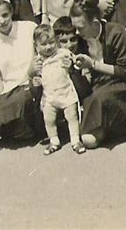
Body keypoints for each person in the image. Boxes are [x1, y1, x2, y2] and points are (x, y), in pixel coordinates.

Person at [69, 0, 126, 149]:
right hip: (99, 89)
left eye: (80, 27)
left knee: (100, 98)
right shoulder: (81, 40)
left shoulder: (116, 32)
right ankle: (107, 127)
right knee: (89, 139)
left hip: (124, 86)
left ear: (94, 23)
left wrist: (93, 64)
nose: (76, 32)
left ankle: (123, 124)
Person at [0, 0, 38, 140]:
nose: (2, 21)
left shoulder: (29, 28)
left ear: (12, 11)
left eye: (5, 15)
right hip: (9, 89)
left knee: (25, 100)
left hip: (33, 81)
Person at [30, 24, 86, 155]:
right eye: (44, 44)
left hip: (66, 92)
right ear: (36, 46)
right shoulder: (38, 61)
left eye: (51, 42)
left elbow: (78, 64)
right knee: (48, 119)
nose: (48, 47)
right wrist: (36, 80)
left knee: (72, 117)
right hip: (49, 96)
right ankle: (54, 141)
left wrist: (72, 65)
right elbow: (34, 77)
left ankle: (75, 140)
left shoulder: (63, 54)